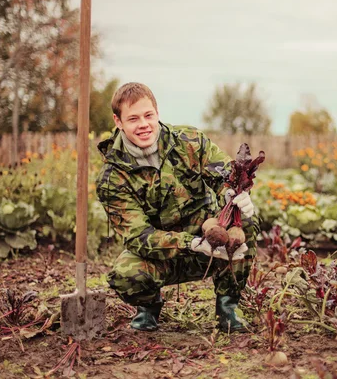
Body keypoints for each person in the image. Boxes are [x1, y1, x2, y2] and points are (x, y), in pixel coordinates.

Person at [95, 82, 259, 333]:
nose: (144, 124)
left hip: (210, 236)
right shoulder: (112, 177)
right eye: (133, 118)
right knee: (125, 275)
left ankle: (228, 306)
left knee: (246, 222)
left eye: (148, 115)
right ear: (118, 122)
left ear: (157, 112)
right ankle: (149, 307)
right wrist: (190, 244)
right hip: (162, 253)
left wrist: (233, 193)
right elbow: (138, 236)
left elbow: (224, 173)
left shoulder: (188, 141)